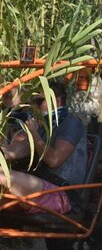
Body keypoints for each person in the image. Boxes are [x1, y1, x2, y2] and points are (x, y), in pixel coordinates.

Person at [0, 80, 87, 214]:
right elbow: (12, 153)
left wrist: (34, 134)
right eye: (34, 102)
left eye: (39, 101)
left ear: (56, 102)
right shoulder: (43, 127)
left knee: (1, 177)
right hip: (40, 184)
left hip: (60, 193)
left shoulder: (71, 123)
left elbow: (54, 160)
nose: (35, 106)